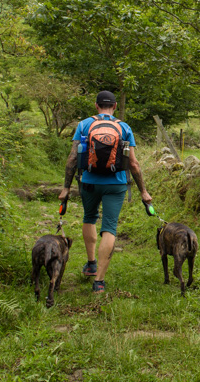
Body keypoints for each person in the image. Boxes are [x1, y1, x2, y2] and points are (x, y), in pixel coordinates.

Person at [58, 91, 152, 294]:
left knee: (89, 218)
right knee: (109, 228)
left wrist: (66, 188)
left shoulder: (84, 125)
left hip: (89, 182)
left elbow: (73, 159)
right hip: (116, 184)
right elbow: (133, 164)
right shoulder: (124, 127)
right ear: (115, 106)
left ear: (96, 105)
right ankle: (99, 282)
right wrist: (143, 191)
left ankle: (91, 263)